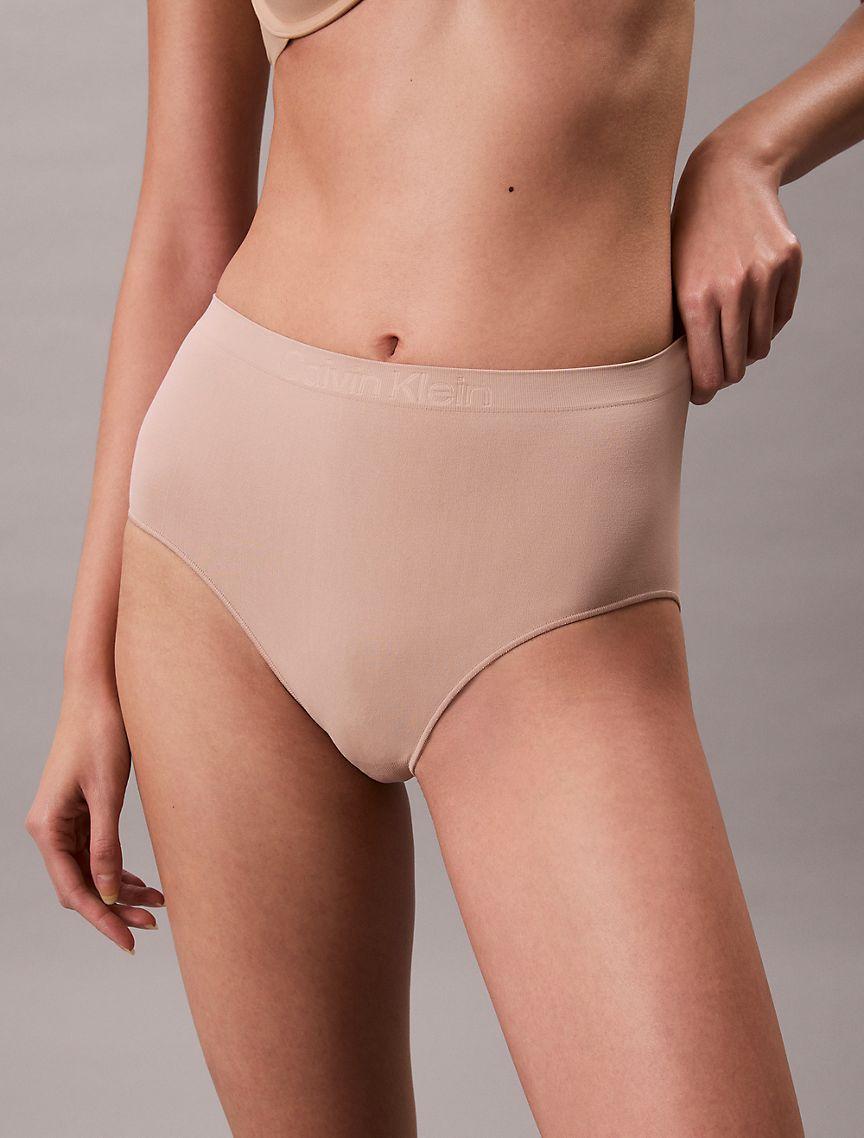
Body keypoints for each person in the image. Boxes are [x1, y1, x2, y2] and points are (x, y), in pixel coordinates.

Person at [25, 1, 864, 1134]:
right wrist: (87, 670)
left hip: (550, 579)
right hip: (219, 560)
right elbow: (183, 223)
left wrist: (752, 149)